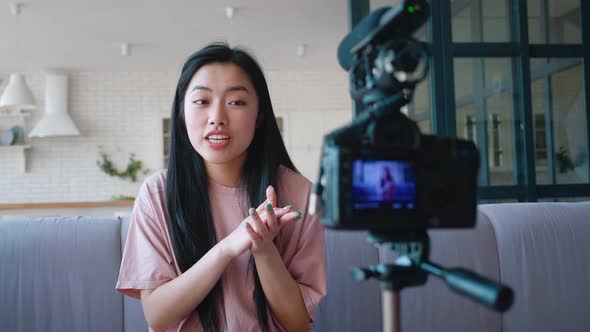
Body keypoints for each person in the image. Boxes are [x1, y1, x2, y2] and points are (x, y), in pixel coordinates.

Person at [116, 43, 327, 332]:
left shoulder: (299, 194)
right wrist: (226, 248)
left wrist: (264, 251)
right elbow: (158, 316)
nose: (217, 118)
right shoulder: (157, 194)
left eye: (236, 102)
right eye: (202, 101)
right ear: (181, 111)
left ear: (260, 114)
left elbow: (297, 323)